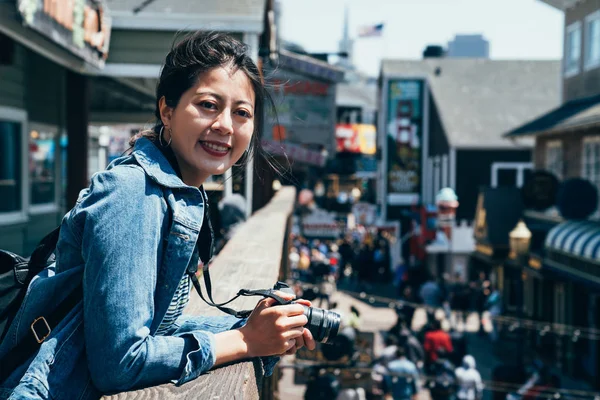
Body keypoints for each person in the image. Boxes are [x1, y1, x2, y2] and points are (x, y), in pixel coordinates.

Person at [0, 32, 316, 399]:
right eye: (208, 105)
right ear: (167, 110)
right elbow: (121, 362)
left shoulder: (172, 190)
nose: (226, 125)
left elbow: (156, 326)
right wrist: (245, 341)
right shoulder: (135, 193)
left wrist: (254, 326)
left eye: (241, 112)